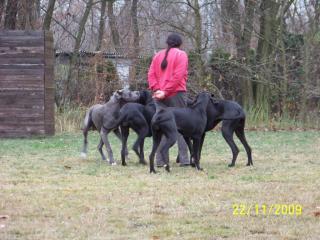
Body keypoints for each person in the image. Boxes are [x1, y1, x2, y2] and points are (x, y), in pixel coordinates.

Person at [147, 33, 190, 167]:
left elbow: (151, 74)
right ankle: (184, 159)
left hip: (159, 95)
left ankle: (160, 160)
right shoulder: (181, 55)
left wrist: (157, 90)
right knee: (182, 127)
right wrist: (165, 91)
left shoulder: (157, 55)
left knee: (162, 127)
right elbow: (178, 75)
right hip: (176, 94)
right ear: (179, 43)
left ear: (167, 43)